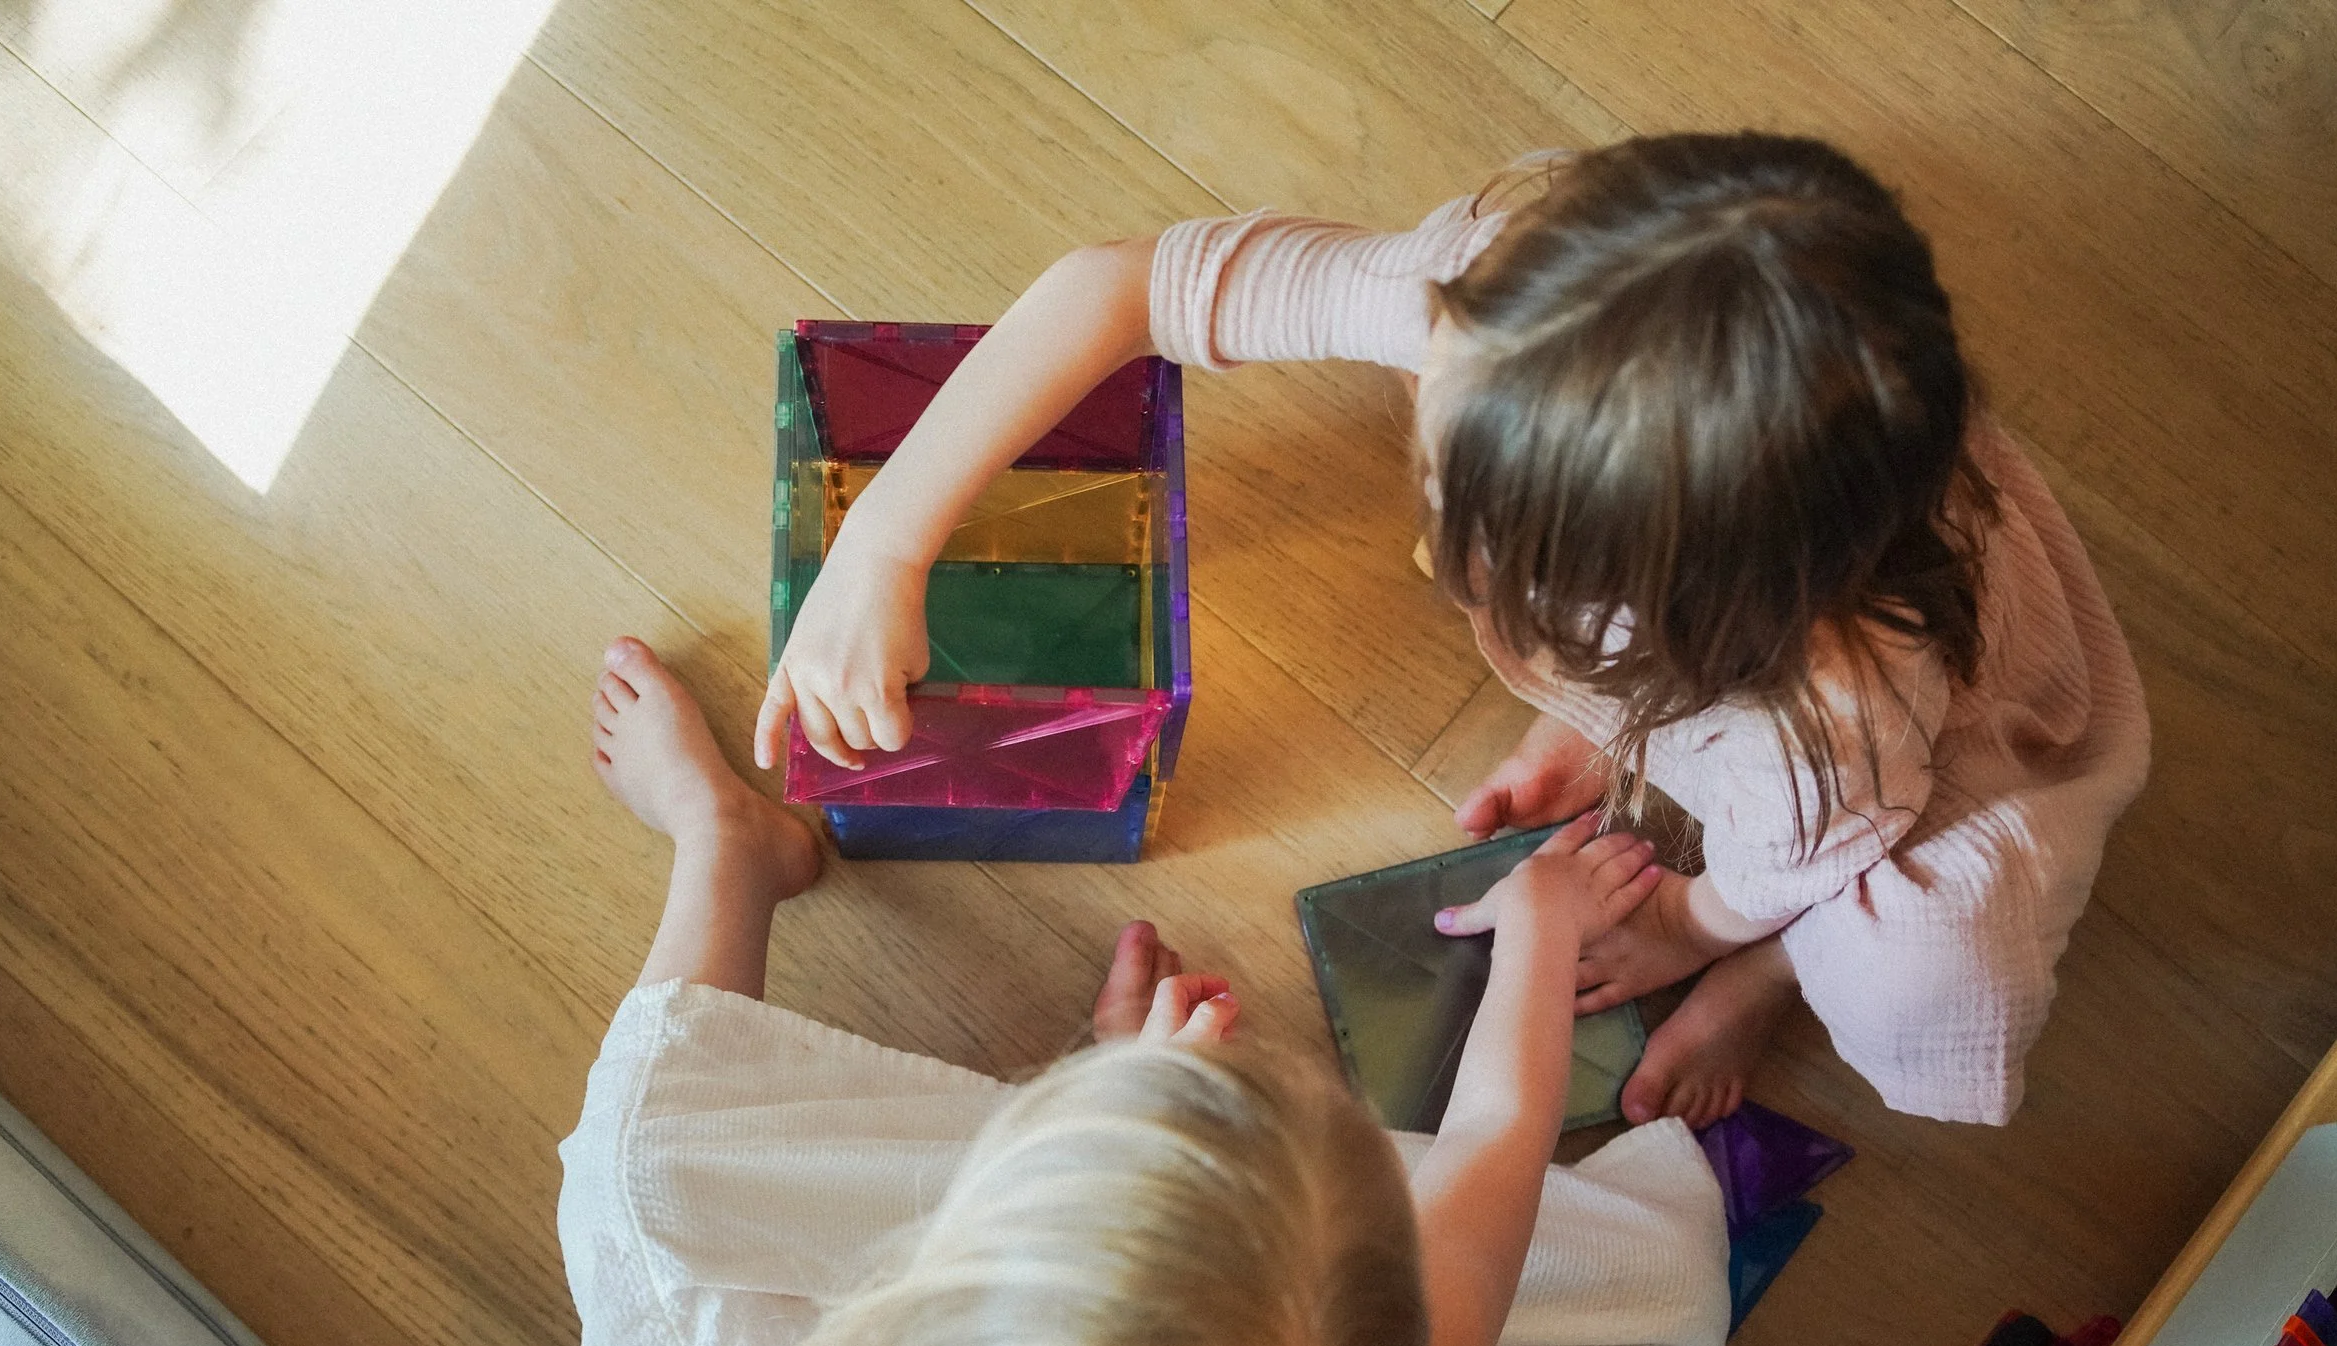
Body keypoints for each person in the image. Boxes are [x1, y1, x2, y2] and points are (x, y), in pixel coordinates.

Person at [757, 133, 2151, 1130]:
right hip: (1745, 612)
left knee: (1916, 973)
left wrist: (1684, 924)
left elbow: (1789, 855)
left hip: (1909, 791)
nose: (1427, 520)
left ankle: (1778, 982)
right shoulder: (1498, 294)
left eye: (1475, 527)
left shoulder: (1822, 726)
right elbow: (1126, 283)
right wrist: (883, 545)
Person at [564, 636, 1729, 1346]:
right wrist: (1541, 925)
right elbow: (1494, 1133)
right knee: (1647, 1279)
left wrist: (1125, 1095)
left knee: (639, 1171)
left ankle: (727, 847)